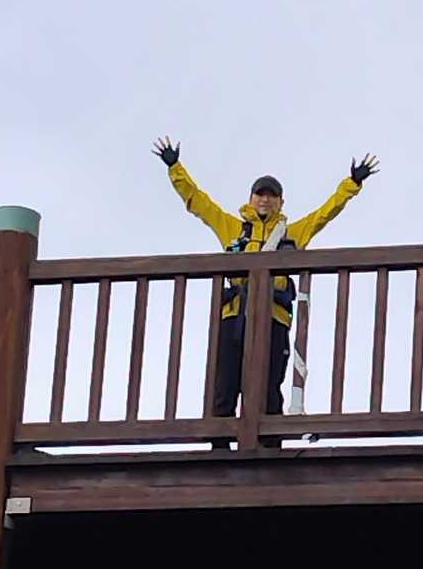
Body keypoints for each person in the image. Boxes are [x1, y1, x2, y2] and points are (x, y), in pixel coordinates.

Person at [153, 137, 379, 443]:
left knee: (270, 385)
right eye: (260, 194)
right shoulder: (233, 228)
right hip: (235, 317)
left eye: (272, 195)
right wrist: (175, 167)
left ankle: (270, 447)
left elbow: (324, 214)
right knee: (225, 384)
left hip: (274, 318)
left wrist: (352, 184)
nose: (265, 200)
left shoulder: (291, 233)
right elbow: (198, 202)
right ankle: (219, 449)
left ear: (281, 202)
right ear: (251, 198)